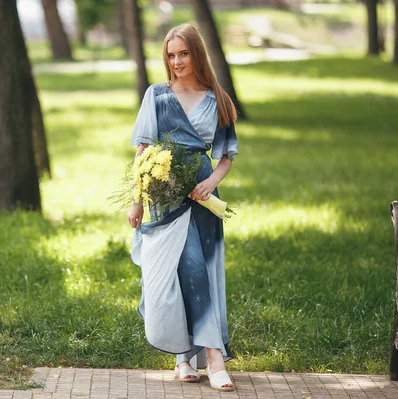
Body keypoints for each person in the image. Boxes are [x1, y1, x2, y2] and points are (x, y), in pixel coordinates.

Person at [127, 23, 238, 391]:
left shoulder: (216, 98)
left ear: (196, 54)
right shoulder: (156, 95)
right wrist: (137, 202)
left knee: (199, 271)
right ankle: (193, 356)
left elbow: (225, 156)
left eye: (183, 54)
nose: (176, 61)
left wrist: (211, 183)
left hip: (202, 198)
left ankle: (202, 357)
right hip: (165, 196)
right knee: (176, 273)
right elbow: (142, 152)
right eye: (171, 55)